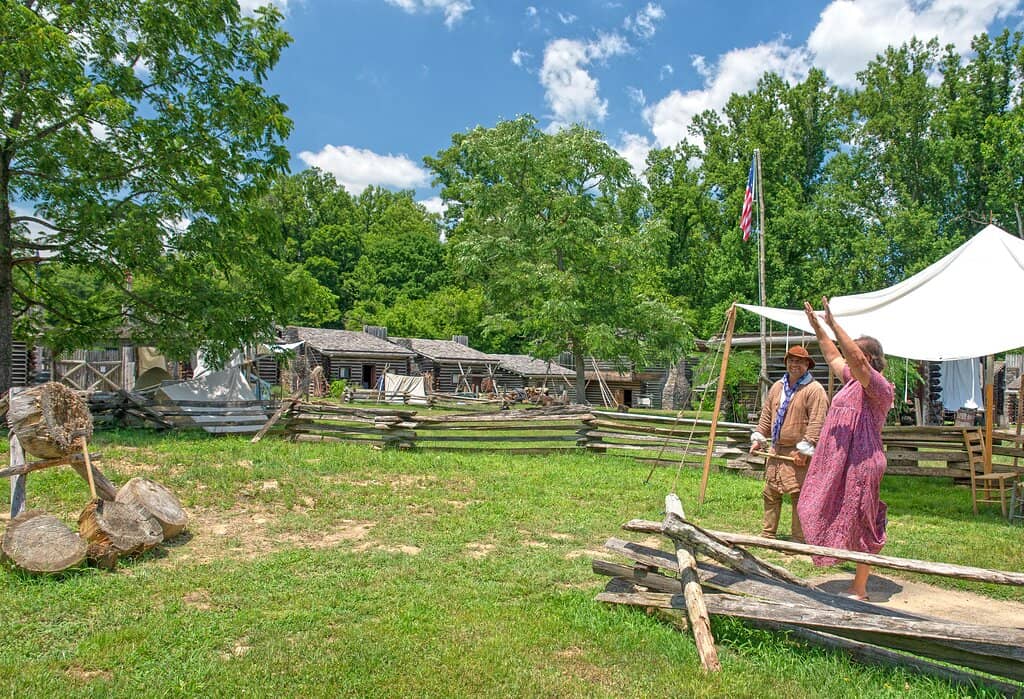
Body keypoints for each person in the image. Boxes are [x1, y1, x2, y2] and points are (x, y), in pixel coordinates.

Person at [797, 296, 894, 601]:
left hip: (862, 463)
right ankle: (845, 565)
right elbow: (832, 355)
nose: (848, 358)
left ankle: (860, 588)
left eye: (856, 353)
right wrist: (818, 326)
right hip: (839, 463)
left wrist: (834, 323)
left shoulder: (879, 387)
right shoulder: (852, 381)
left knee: (862, 520)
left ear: (870, 359)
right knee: (810, 505)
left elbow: (855, 358)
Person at [750, 345, 829, 543]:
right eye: (791, 360)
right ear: (786, 363)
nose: (795, 365)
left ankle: (798, 539)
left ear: (807, 365)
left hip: (798, 452)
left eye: (800, 362)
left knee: (798, 496)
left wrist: (805, 449)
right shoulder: (778, 387)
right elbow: (767, 415)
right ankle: (768, 535)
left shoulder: (814, 390)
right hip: (777, 449)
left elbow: (817, 422)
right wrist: (759, 438)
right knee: (771, 493)